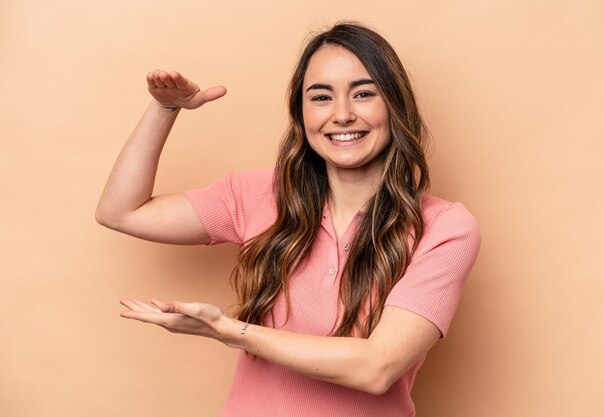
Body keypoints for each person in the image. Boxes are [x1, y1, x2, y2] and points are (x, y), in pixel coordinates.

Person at [96, 22, 480, 417]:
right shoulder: (259, 195)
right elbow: (121, 211)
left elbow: (377, 368)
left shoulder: (445, 228)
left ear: (395, 106)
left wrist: (230, 331)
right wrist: (165, 107)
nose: (343, 115)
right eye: (321, 97)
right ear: (301, 113)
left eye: (364, 94)